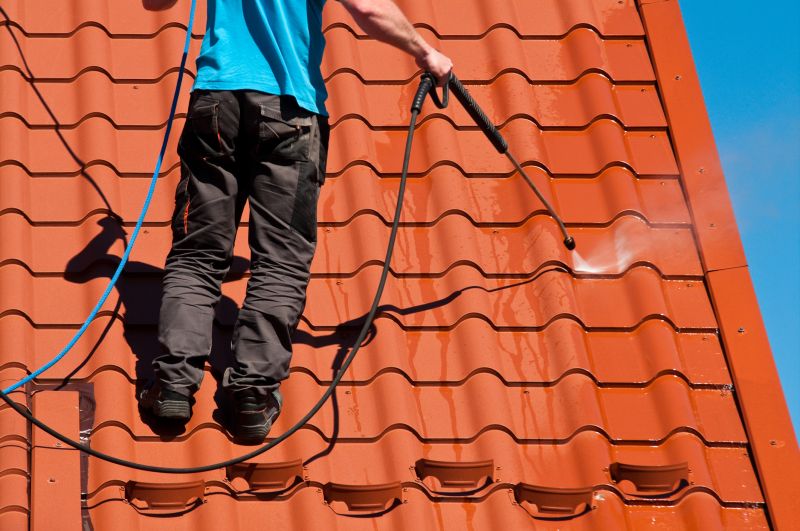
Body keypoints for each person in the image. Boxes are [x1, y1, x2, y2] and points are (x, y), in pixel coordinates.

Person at [139, 0, 453, 443]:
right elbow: (368, 9)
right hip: (290, 110)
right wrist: (425, 52)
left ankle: (174, 386)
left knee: (198, 255)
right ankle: (251, 396)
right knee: (280, 261)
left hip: (217, 101)